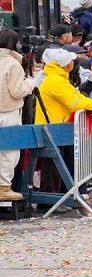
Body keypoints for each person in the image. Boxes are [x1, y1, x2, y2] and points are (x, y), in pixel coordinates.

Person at [0, 29, 35, 201]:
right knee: (9, 150)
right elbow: (16, 91)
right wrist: (30, 83)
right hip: (8, 111)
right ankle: (4, 187)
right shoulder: (13, 65)